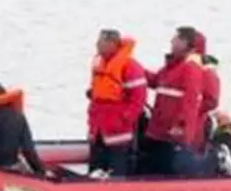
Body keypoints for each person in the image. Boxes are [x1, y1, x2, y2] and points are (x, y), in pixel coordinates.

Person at [141, 26, 205, 175]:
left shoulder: (190, 69)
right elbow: (155, 80)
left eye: (175, 39)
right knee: (154, 166)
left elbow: (190, 101)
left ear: (185, 42)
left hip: (172, 134)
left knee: (168, 169)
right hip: (158, 130)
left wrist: (181, 126)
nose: (171, 42)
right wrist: (136, 69)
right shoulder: (171, 67)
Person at [86, 29, 148, 178]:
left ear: (112, 44)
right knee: (95, 167)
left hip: (118, 130)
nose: (97, 45)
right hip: (98, 127)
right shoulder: (99, 64)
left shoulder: (130, 67)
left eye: (101, 41)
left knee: (117, 168)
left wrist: (124, 119)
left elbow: (138, 99)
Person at [192, 32, 221, 150]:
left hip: (194, 126)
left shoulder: (206, 73)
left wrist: (188, 108)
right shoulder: (178, 67)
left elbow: (212, 101)